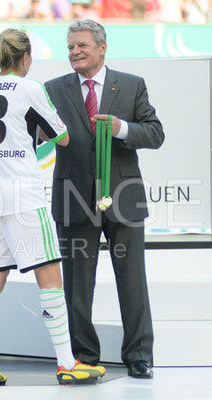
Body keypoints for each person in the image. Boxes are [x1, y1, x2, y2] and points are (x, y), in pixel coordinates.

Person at [0, 27, 104, 386]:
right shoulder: (30, 88)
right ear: (25, 58)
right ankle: (66, 362)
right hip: (24, 196)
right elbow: (63, 136)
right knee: (50, 275)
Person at [44, 19, 164, 379]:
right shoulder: (52, 88)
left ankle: (139, 356)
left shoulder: (131, 85)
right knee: (77, 285)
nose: (75, 52)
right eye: (70, 47)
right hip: (73, 198)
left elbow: (156, 133)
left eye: (81, 45)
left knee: (132, 281)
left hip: (123, 200)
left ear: (102, 46)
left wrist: (122, 129)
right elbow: (36, 133)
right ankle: (82, 355)